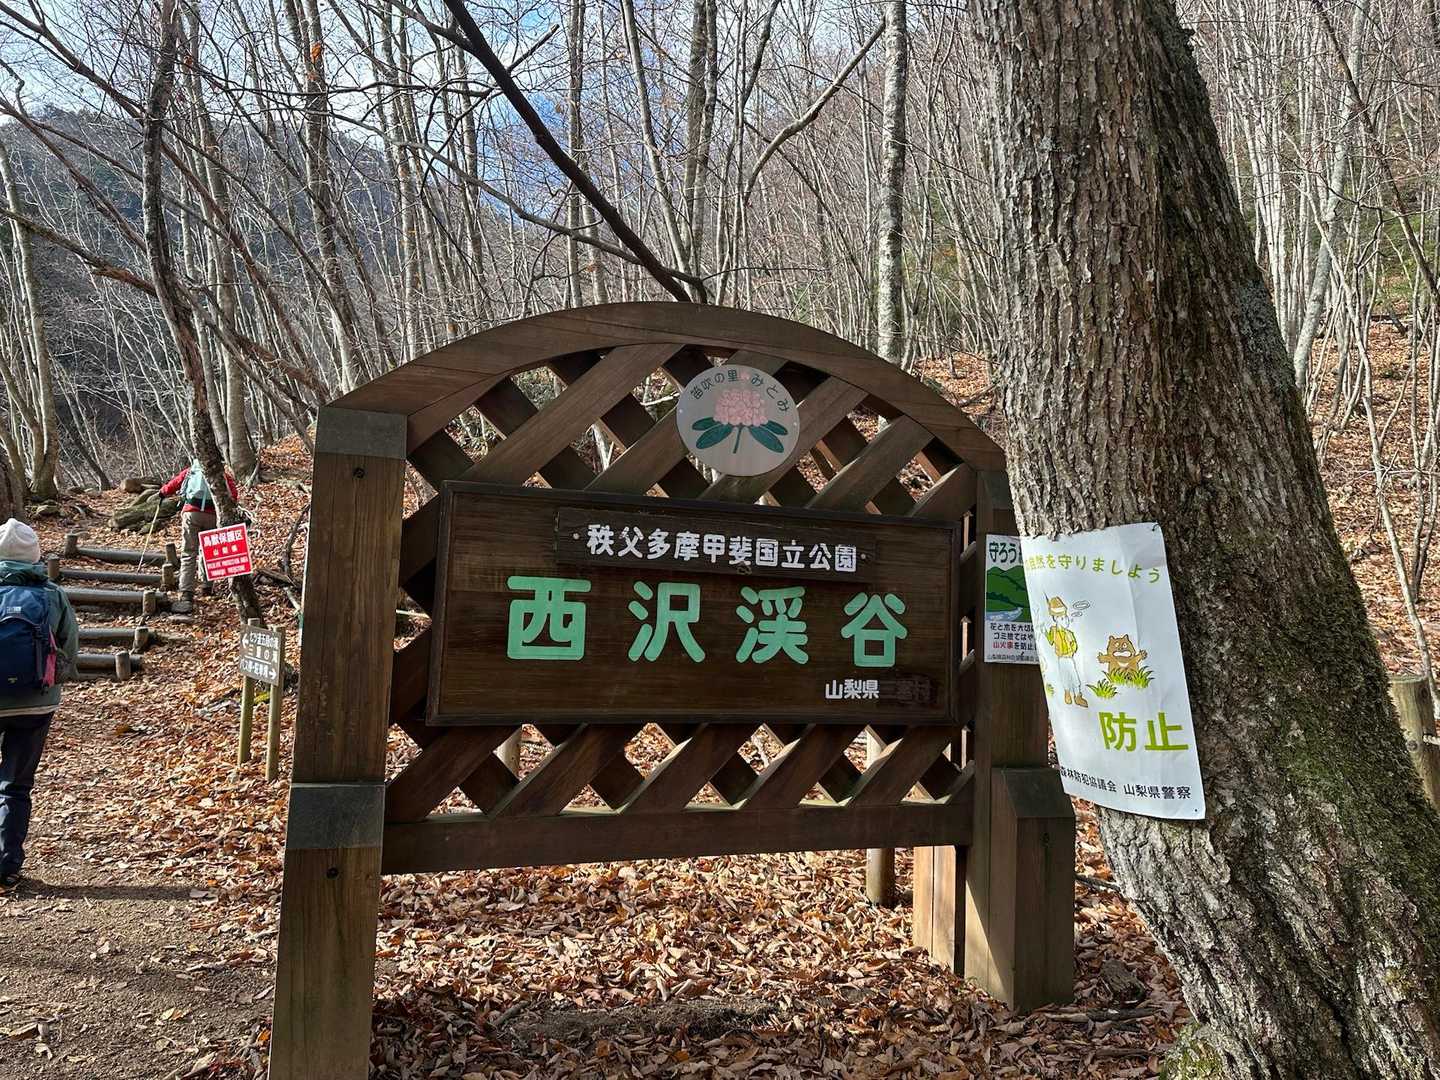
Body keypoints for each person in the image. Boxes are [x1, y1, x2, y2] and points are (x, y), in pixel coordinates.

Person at [0, 518, 79, 889]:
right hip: (35, 702)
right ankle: (7, 866)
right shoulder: (51, 594)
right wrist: (53, 682)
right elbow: (69, 646)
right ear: (34, 556)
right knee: (15, 785)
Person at [160, 459, 239, 614]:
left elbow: (174, 484)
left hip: (192, 514)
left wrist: (162, 492)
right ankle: (207, 587)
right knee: (208, 551)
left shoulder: (191, 470)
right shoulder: (221, 473)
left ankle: (186, 592)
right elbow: (234, 495)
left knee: (189, 553)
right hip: (212, 516)